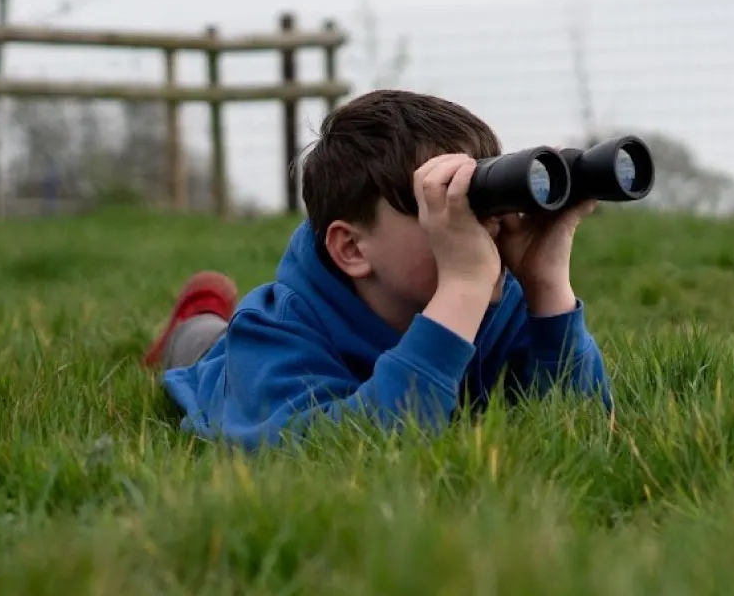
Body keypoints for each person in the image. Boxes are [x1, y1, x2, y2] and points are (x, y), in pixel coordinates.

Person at [143, 89, 611, 450]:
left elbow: (581, 424)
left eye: (479, 198)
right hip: (225, 357)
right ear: (352, 248)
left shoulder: (498, 300)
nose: (479, 230)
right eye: (440, 205)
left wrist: (547, 284)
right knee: (204, 341)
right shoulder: (275, 335)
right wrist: (462, 289)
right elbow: (347, 451)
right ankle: (196, 315)